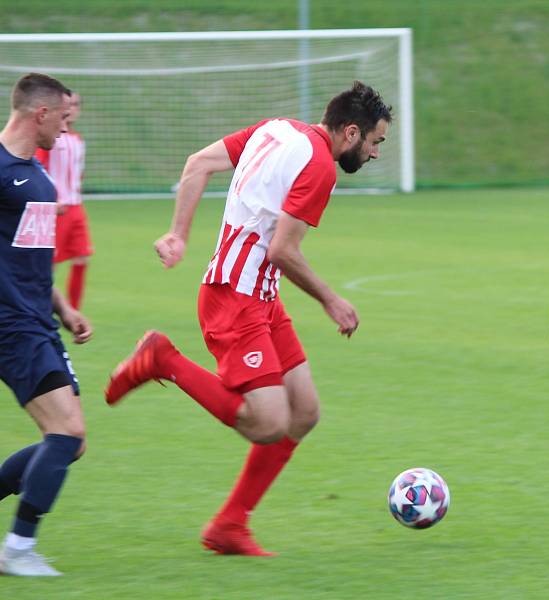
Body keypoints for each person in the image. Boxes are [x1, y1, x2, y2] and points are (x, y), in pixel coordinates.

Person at [105, 81, 392, 555]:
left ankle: (230, 525)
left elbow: (198, 165)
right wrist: (330, 300)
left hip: (259, 296)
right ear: (351, 132)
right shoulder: (320, 167)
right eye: (376, 142)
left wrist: (178, 234)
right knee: (266, 423)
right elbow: (282, 251)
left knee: (304, 413)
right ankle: (162, 359)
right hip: (234, 299)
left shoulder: (276, 129)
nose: (376, 154)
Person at [0, 72, 93, 577]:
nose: (65, 133)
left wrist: (64, 310)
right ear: (39, 114)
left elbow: (30, 262)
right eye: (62, 119)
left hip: (37, 321)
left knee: (71, 441)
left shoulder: (41, 178)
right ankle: (19, 549)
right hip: (4, 322)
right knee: (65, 434)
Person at [35, 92, 92, 309]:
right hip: (56, 210)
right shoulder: (50, 138)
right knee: (48, 266)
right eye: (69, 105)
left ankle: (74, 310)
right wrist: (49, 200)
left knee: (82, 258)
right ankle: (40, 308)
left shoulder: (78, 140)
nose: (73, 109)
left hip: (76, 206)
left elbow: (78, 172)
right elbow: (39, 168)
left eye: (77, 105)